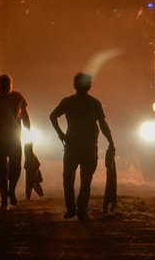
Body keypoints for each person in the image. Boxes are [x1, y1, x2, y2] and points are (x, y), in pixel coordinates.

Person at [50, 72, 115, 221]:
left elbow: (52, 116)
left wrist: (61, 134)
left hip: (72, 145)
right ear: (89, 86)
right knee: (86, 180)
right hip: (89, 146)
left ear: (75, 86)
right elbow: (103, 125)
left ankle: (71, 208)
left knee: (68, 177)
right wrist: (111, 141)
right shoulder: (94, 103)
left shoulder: (68, 102)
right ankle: (81, 210)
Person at [0, 74, 31, 209]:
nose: (5, 86)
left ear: (11, 84)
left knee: (15, 167)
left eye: (7, 84)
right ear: (0, 85)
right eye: (3, 84)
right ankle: (5, 197)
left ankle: (10, 191)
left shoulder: (18, 97)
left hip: (13, 138)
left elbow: (25, 116)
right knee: (0, 170)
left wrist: (28, 134)